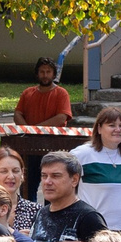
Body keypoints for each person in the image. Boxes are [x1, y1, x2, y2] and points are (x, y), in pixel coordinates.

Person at [69, 105, 121, 230]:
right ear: (99, 128)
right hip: (93, 226)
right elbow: (63, 180)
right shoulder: (82, 154)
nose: (117, 129)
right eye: (112, 125)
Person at [14, 57, 75, 197]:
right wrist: (27, 130)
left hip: (53, 147)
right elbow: (18, 113)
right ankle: (30, 218)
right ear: (37, 73)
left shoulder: (61, 93)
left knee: (53, 186)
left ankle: (51, 216)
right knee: (28, 187)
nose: (45, 75)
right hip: (30, 147)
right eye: (42, 71)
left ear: (54, 74)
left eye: (48, 72)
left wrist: (36, 129)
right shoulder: (27, 93)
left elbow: (62, 117)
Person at [30, 154, 109, 242]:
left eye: (55, 176)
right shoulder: (41, 213)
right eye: (44, 176)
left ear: (74, 180)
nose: (47, 182)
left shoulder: (89, 218)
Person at [0, 144, 44, 242]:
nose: (11, 176)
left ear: (22, 174)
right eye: (4, 171)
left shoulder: (36, 210)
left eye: (15, 171)